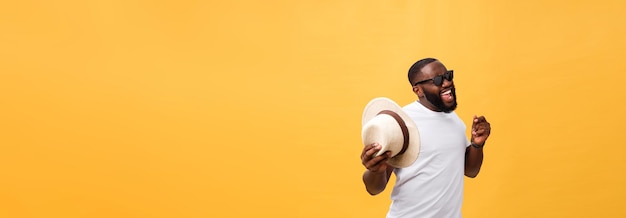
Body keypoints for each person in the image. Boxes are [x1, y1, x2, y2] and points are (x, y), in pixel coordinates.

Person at [360, 58, 492, 218]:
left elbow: (470, 171)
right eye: (437, 80)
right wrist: (375, 171)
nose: (446, 83)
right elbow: (374, 189)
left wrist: (477, 145)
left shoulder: (454, 120)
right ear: (418, 90)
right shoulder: (402, 123)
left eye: (448, 76)